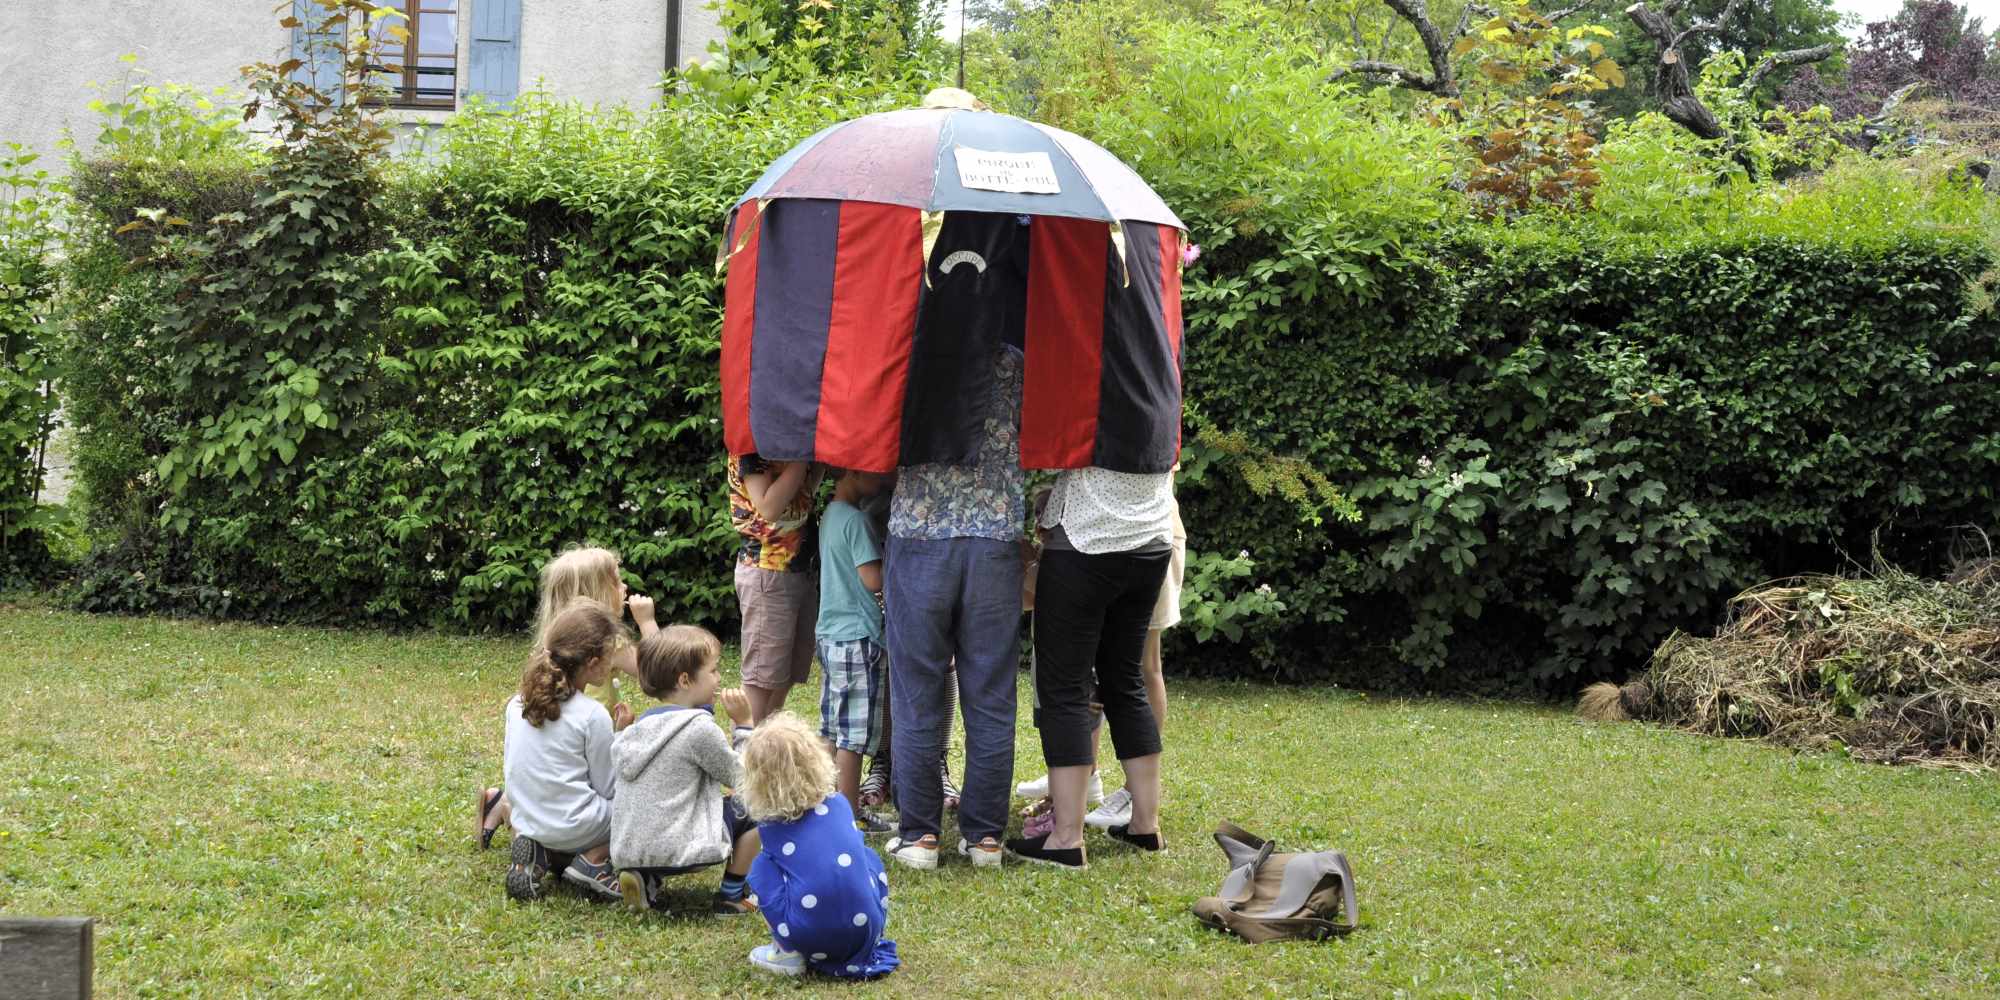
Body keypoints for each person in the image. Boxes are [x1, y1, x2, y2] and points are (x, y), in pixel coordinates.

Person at [882, 342, 1027, 871]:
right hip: (995, 538)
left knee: (916, 691)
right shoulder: (1013, 360)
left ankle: (920, 835)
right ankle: (985, 837)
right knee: (990, 694)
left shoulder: (907, 352)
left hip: (919, 534)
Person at [1005, 467, 1174, 870]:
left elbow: (1053, 446)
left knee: (1064, 686)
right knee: (1125, 679)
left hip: (1085, 538)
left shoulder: (1097, 400)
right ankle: (1146, 825)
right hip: (1151, 537)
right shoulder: (1166, 399)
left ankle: (1066, 838)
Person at [475, 545, 658, 849]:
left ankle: (509, 810)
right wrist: (647, 623)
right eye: (616, 580)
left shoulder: (551, 644)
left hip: (556, 770)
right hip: (589, 755)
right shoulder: (605, 646)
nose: (625, 587)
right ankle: (590, 857)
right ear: (595, 593)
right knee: (629, 802)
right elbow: (657, 675)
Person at [609, 624, 763, 916]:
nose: (719, 679)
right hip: (684, 848)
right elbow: (744, 779)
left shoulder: (637, 729)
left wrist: (620, 732)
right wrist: (744, 726)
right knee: (758, 808)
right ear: (685, 680)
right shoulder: (698, 729)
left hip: (630, 849)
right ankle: (731, 896)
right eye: (713, 670)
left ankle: (645, 879)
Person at [740, 713, 899, 979]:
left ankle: (786, 953)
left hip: (809, 936)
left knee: (761, 868)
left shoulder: (771, 827)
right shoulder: (839, 804)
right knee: (865, 856)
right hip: (865, 930)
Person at [502, 599, 635, 901]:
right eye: (610, 653)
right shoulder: (591, 715)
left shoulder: (516, 704)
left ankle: (542, 852)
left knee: (568, 815)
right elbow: (609, 787)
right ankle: (593, 860)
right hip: (578, 826)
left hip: (529, 820)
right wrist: (622, 738)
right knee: (643, 806)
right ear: (592, 662)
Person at [815, 469, 894, 834]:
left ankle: (825, 806)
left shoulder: (830, 515)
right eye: (878, 477)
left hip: (831, 633)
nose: (882, 485)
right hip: (858, 638)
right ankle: (848, 817)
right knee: (853, 737)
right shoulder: (859, 521)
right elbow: (872, 579)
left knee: (832, 728)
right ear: (855, 473)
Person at [729, 454, 826, 723]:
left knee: (785, 673)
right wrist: (803, 458)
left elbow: (802, 492)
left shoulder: (786, 441)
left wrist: (816, 462)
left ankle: (766, 749)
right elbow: (769, 506)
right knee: (761, 679)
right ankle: (746, 755)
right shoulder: (751, 442)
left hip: (798, 568)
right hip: (767, 571)